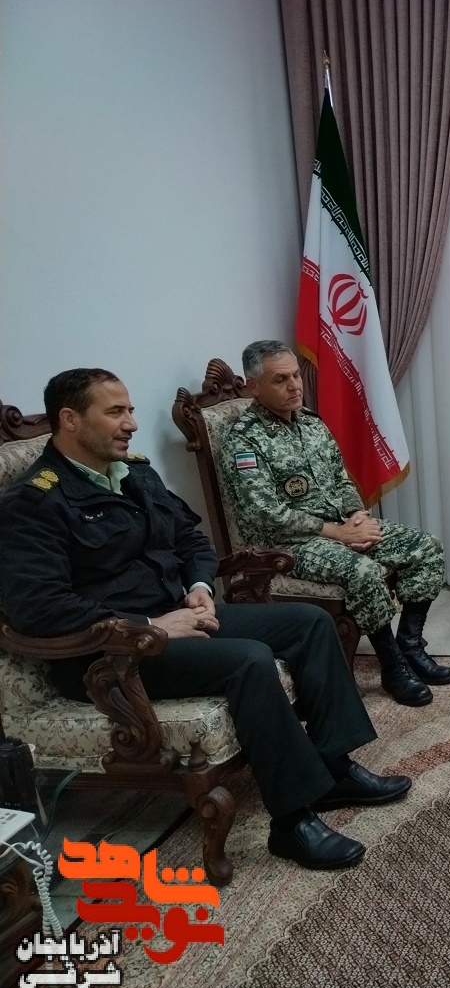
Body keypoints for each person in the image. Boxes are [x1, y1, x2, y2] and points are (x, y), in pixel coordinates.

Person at [0, 368, 410, 871]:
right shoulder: (35, 503)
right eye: (115, 412)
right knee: (248, 660)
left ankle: (334, 768)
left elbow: (191, 540)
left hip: (178, 619)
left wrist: (198, 587)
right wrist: (150, 622)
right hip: (109, 654)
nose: (131, 423)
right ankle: (293, 821)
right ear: (70, 420)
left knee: (308, 623)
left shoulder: (134, 473)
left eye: (130, 410)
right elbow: (39, 607)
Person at [220, 340, 450, 708]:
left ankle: (410, 646)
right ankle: (392, 666)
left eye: (296, 375)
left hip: (339, 527)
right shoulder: (243, 440)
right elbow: (264, 513)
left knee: (425, 546)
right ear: (254, 387)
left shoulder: (311, 423)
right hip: (285, 545)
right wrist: (336, 532)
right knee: (363, 572)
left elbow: (341, 480)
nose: (294, 385)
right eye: (280, 379)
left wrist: (356, 516)